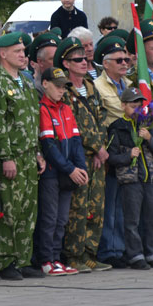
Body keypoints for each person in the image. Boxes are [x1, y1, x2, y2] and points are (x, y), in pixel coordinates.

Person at [0, 32, 44, 280]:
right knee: (9, 209)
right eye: (18, 51)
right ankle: (5, 260)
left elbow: (32, 119)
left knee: (28, 209)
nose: (23, 55)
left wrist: (38, 152)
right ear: (3, 54)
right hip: (11, 156)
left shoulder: (26, 81)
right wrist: (4, 157)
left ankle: (23, 258)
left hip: (29, 154)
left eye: (23, 51)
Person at [54, 38, 111, 272]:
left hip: (98, 157)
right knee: (77, 208)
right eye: (77, 60)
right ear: (66, 64)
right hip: (79, 157)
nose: (84, 63)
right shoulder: (65, 91)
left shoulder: (90, 87)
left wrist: (101, 148)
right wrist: (96, 147)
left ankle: (90, 252)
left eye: (85, 59)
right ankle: (74, 254)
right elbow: (75, 125)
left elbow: (101, 119)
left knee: (95, 207)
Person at [106, 87, 153, 270]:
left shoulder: (148, 124)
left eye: (139, 106)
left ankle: (150, 253)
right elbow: (110, 157)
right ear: (123, 105)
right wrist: (128, 156)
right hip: (130, 180)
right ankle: (135, 255)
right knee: (132, 220)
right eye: (133, 106)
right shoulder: (117, 127)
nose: (137, 110)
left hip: (150, 178)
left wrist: (149, 138)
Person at [36, 67, 88, 275]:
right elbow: (48, 146)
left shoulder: (66, 109)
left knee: (62, 219)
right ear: (45, 83)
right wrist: (71, 169)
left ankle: (56, 258)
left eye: (64, 87)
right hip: (51, 173)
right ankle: (46, 260)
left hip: (67, 173)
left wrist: (81, 168)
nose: (61, 90)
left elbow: (76, 142)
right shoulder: (43, 109)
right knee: (50, 218)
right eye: (57, 86)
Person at [93, 34, 132, 267]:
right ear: (105, 63)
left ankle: (122, 247)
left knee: (124, 203)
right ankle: (110, 250)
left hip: (129, 148)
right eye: (118, 60)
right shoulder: (98, 86)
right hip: (111, 149)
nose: (125, 63)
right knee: (111, 204)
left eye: (126, 59)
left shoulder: (129, 84)